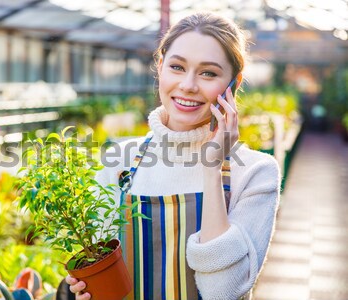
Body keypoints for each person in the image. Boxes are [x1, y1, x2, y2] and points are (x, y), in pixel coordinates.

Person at [66, 11, 280, 300]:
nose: (189, 85)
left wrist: (211, 167)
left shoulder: (256, 173)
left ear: (234, 84)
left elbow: (223, 293)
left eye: (209, 73)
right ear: (160, 66)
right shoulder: (119, 161)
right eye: (177, 67)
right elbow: (101, 271)